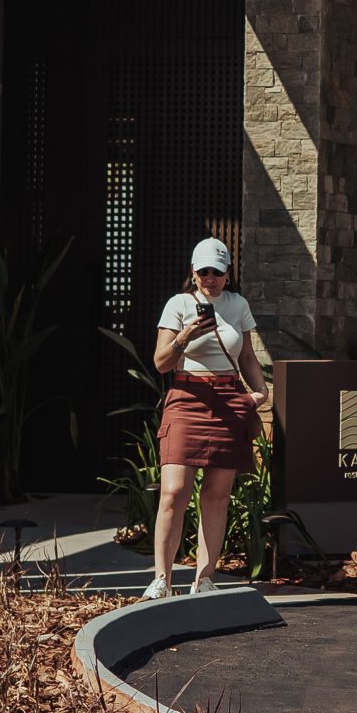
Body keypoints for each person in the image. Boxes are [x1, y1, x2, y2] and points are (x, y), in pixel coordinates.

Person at [145, 237, 266, 599]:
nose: (210, 278)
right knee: (173, 491)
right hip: (188, 396)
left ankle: (204, 578)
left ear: (228, 273)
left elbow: (246, 357)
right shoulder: (179, 304)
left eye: (217, 271)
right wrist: (185, 336)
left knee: (217, 494)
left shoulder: (238, 305)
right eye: (204, 271)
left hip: (228, 397)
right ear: (193, 273)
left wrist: (260, 391)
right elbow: (161, 363)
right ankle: (161, 579)